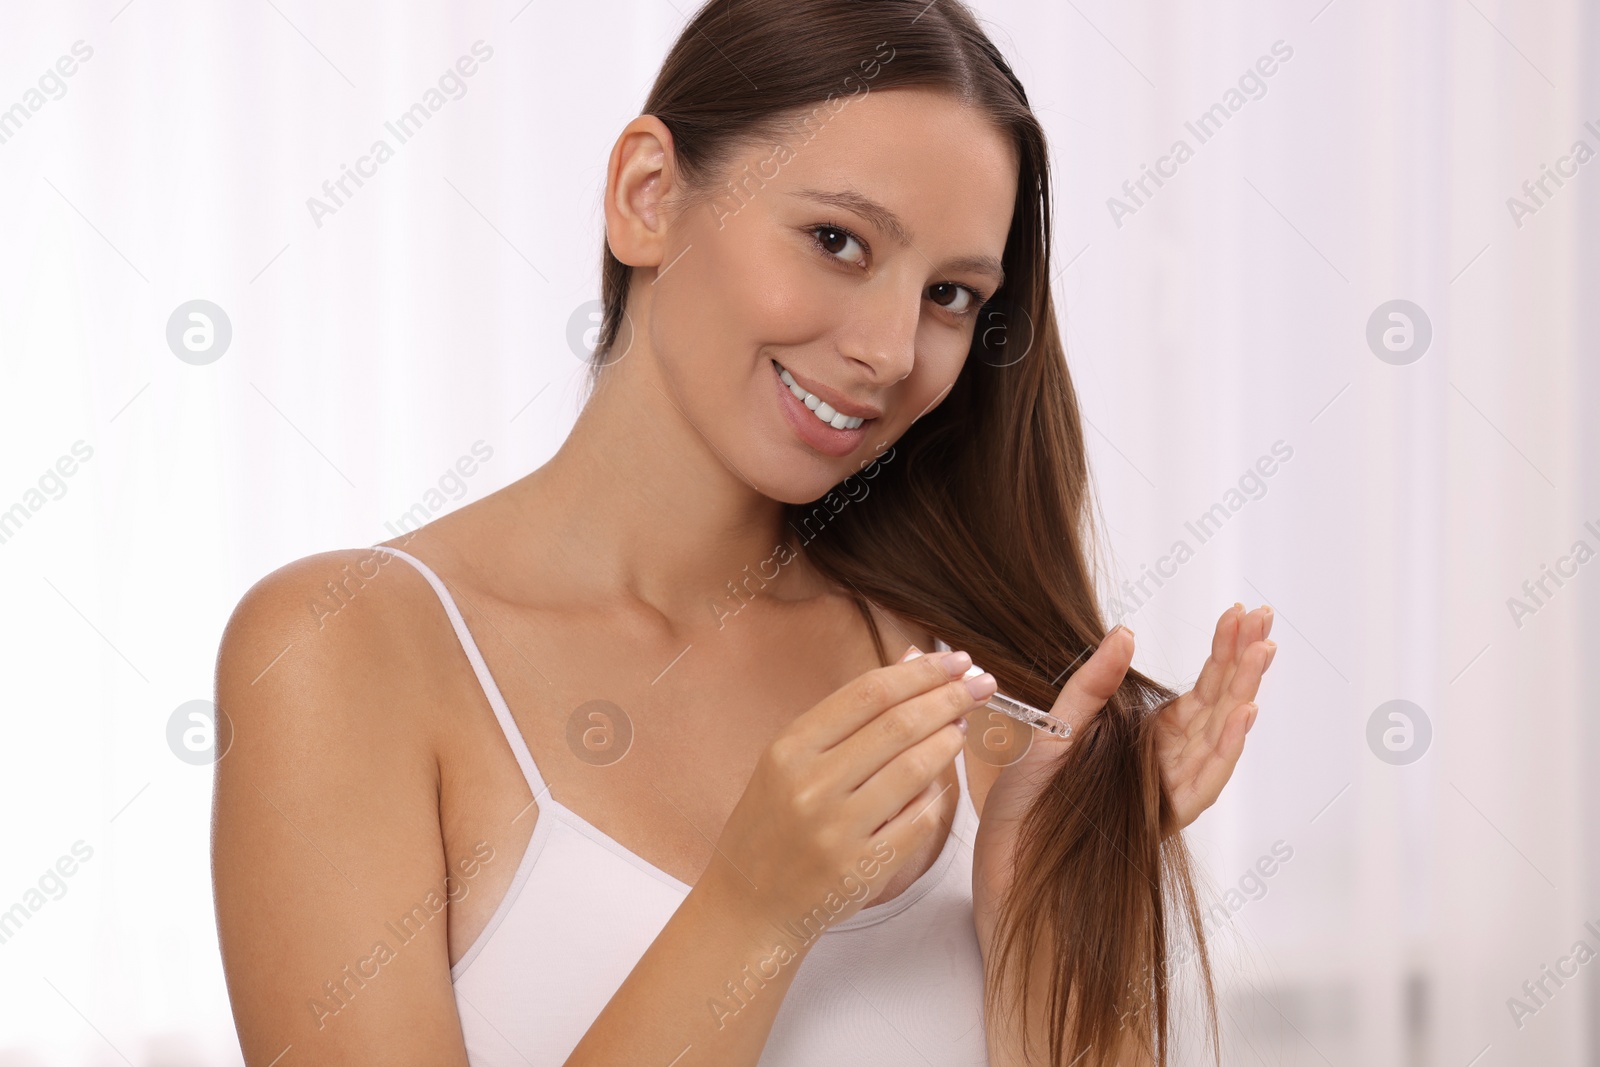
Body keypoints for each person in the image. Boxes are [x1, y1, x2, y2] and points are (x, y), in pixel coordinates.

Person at [211, 0, 1276, 1063]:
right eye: (837, 240)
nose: (891, 349)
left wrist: (1047, 892)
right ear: (648, 196)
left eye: (950, 294)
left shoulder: (975, 699)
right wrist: (753, 911)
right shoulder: (346, 651)